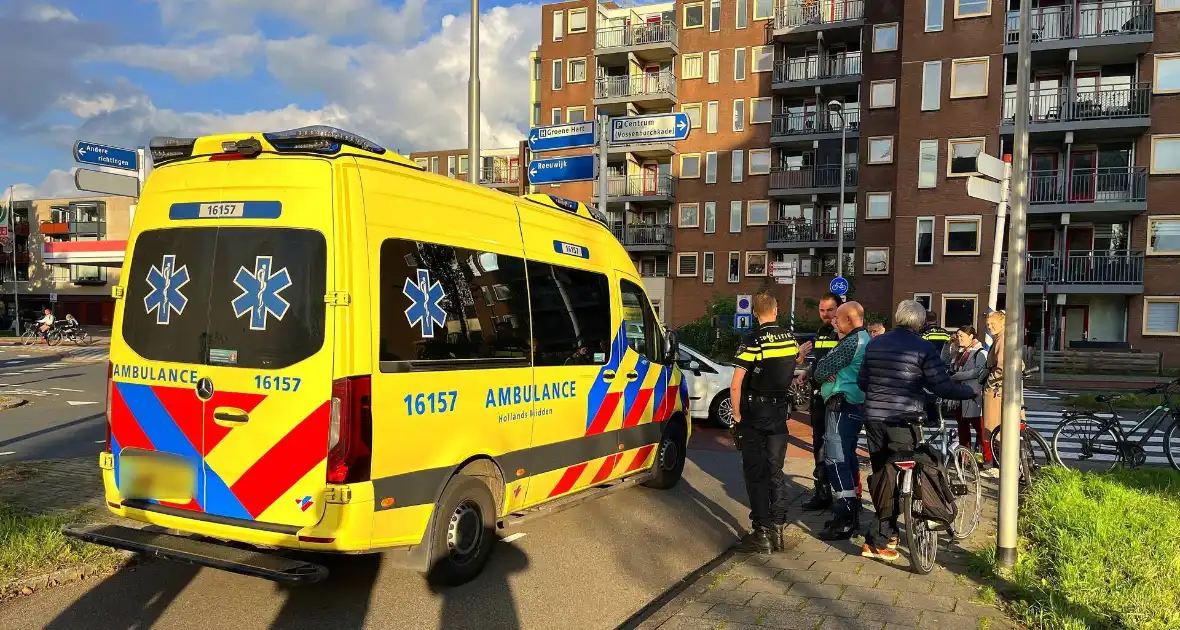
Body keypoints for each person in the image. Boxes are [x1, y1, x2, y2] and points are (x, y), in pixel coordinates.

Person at [857, 300, 976, 560]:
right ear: (920, 323)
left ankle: (885, 536)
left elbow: (863, 381)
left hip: (874, 419)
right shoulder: (922, 347)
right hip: (904, 419)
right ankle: (877, 539)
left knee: (882, 475)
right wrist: (969, 392)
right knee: (901, 475)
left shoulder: (875, 343)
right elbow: (940, 386)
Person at [730, 292, 799, 554]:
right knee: (776, 470)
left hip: (756, 413)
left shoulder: (754, 340)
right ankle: (779, 528)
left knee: (755, 473)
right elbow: (795, 361)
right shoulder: (790, 339)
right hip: (780, 413)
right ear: (776, 311)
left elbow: (736, 384)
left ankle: (761, 533)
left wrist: (737, 417)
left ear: (755, 313)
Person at [814, 301, 870, 541]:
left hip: (841, 404)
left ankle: (845, 518)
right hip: (854, 405)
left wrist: (825, 371)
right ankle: (851, 513)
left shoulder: (850, 343)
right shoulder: (864, 339)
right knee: (848, 459)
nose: (833, 321)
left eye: (837, 317)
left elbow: (820, 370)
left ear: (849, 320)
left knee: (836, 461)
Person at [796, 293, 841, 511]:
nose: (825, 314)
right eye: (822, 310)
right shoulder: (821, 332)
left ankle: (845, 496)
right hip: (817, 396)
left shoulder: (842, 331)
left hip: (836, 397)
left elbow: (848, 358)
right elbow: (820, 360)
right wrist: (807, 371)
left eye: (830, 310)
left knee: (837, 447)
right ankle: (822, 492)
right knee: (818, 445)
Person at [982, 310, 1023, 477]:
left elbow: (1001, 367)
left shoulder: (1002, 339)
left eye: (993, 324)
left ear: (1002, 323)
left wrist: (989, 381)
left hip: (998, 391)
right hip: (1004, 390)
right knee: (1002, 429)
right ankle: (1007, 466)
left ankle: (1001, 468)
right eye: (988, 325)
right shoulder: (1001, 338)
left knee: (996, 429)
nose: (990, 327)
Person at [948, 325, 987, 473]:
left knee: (979, 427)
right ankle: (964, 457)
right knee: (962, 428)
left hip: (972, 395)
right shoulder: (958, 351)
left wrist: (960, 376)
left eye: (962, 336)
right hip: (960, 396)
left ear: (971, 337)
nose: (959, 339)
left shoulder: (979, 352)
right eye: (958, 336)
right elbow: (945, 359)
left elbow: (980, 371)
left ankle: (985, 457)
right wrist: (949, 344)